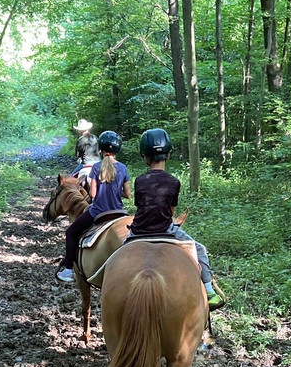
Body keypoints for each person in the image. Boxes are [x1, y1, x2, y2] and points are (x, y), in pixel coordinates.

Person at [129, 128, 223, 310]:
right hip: (166, 230)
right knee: (200, 250)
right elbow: (171, 212)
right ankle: (209, 290)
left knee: (115, 256)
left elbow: (140, 207)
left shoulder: (139, 180)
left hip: (138, 230)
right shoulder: (173, 182)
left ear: (144, 156)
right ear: (168, 155)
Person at [56, 130, 130, 283]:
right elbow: (128, 194)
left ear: (101, 150)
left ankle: (69, 269)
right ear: (117, 150)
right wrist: (117, 191)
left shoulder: (96, 168)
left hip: (98, 212)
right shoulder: (123, 168)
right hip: (119, 212)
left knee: (71, 232)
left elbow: (94, 195)